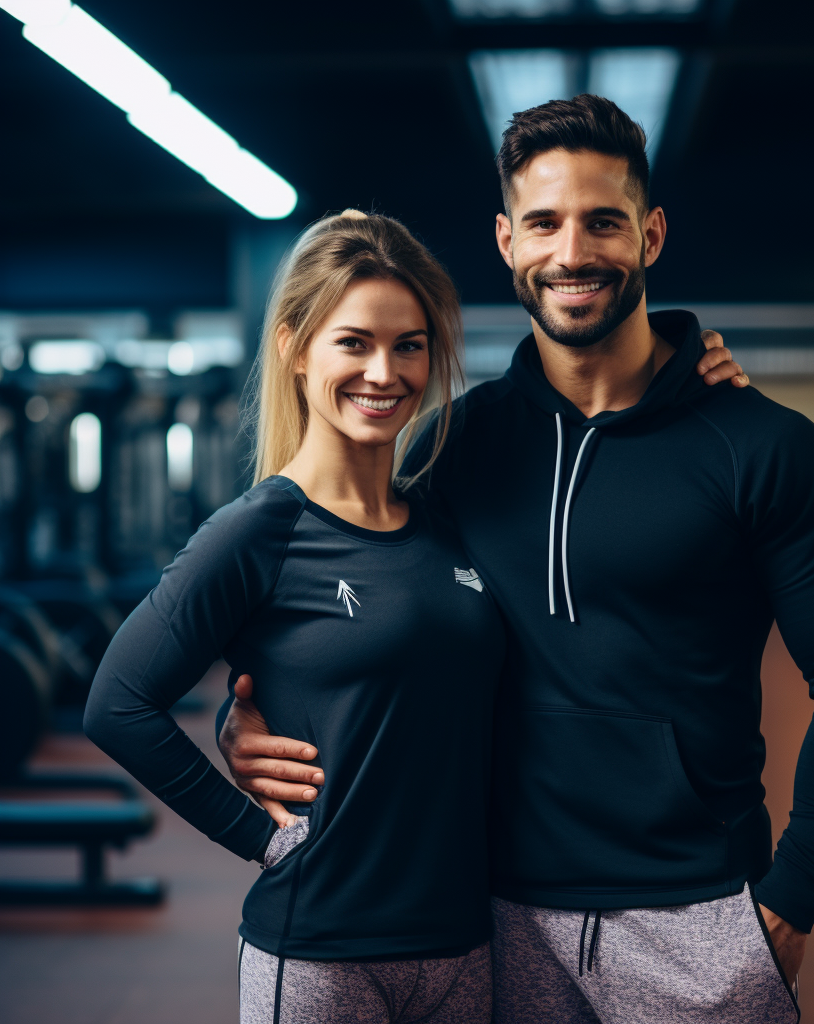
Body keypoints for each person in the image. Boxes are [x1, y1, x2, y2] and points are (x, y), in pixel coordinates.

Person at [221, 95, 814, 1024]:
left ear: (651, 234)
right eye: (543, 222)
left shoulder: (764, 448)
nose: (572, 252)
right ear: (506, 240)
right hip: (492, 916)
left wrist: (791, 900)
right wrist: (246, 718)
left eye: (603, 222)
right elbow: (353, 608)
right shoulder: (450, 449)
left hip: (700, 916)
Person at [83, 209, 744, 1024]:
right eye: (353, 342)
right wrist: (256, 835)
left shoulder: (443, 512)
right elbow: (117, 703)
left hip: (463, 945)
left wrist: (687, 374)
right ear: (295, 348)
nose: (383, 371)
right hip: (323, 947)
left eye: (409, 345)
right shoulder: (260, 529)